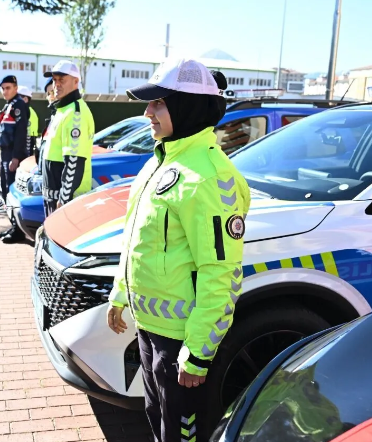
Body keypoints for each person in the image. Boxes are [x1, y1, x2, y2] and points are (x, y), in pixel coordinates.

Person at [105, 58, 250, 442]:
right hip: (151, 328)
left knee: (181, 433)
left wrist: (199, 351)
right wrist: (120, 294)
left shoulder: (209, 176)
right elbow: (137, 240)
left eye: (159, 103)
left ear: (187, 106)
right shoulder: (163, 160)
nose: (147, 112)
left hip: (181, 340)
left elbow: (223, 273)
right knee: (157, 419)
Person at [40, 60, 95, 217]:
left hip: (65, 202)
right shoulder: (62, 109)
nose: (56, 84)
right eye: (54, 80)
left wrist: (63, 200)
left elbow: (74, 161)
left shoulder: (75, 113)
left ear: (76, 81)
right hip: (53, 197)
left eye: (62, 80)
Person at [0, 75, 29, 243]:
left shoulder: (19, 106)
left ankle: (18, 230)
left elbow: (21, 134)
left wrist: (16, 157)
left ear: (15, 88)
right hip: (5, 154)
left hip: (13, 155)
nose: (5, 91)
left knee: (12, 191)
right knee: (5, 191)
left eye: (8, 88)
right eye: (3, 88)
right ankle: (13, 225)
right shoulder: (8, 106)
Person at [17, 85, 39, 157]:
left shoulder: (27, 112)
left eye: (17, 97)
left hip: (27, 141)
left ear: (26, 99)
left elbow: (27, 137)